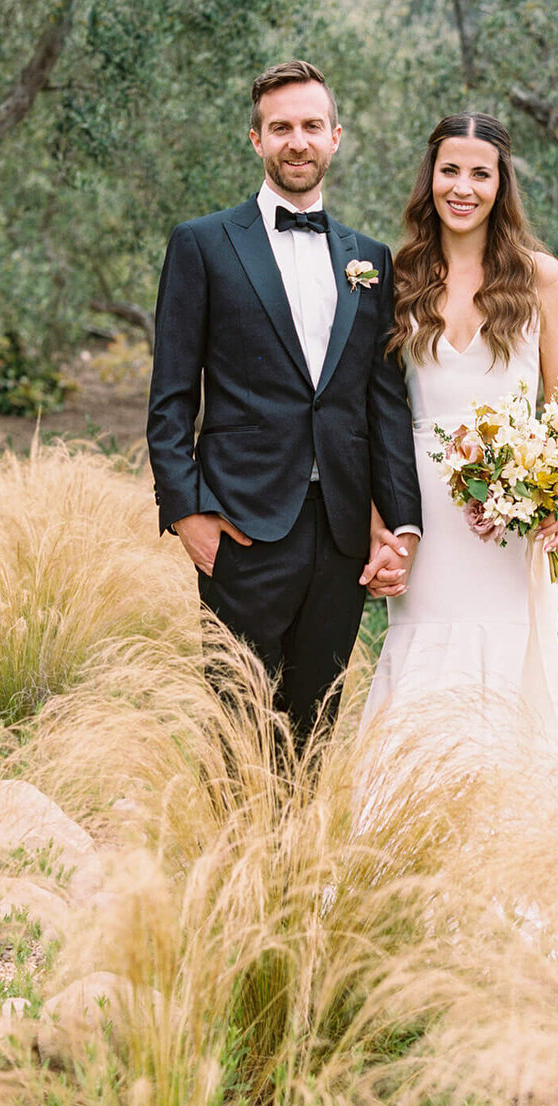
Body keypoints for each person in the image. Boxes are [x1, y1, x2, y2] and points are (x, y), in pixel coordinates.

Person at [361, 113, 558, 900]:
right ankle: (413, 858)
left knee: (511, 663)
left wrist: (551, 494)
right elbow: (376, 409)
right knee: (424, 654)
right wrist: (383, 518)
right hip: (422, 511)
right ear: (430, 179)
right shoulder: (399, 276)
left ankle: (522, 865)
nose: (464, 188)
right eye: (450, 171)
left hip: (507, 516)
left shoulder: (540, 278)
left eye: (481, 174)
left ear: (502, 186)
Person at [147, 60, 422, 744]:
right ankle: (233, 851)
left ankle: (300, 853)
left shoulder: (371, 259)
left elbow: (382, 403)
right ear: (255, 140)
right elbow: (171, 397)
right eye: (280, 129)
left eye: (309, 126)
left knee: (314, 723)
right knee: (236, 722)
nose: (296, 141)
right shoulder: (202, 244)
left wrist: (402, 526)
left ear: (335, 137)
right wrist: (186, 512)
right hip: (240, 526)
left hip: (340, 533)